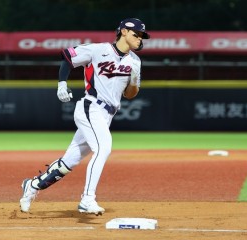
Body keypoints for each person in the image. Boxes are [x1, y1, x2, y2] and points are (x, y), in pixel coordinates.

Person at [19, 18, 150, 215]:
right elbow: (68, 57)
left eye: (142, 36)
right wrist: (62, 83)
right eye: (136, 34)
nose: (140, 39)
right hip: (91, 107)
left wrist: (133, 80)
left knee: (69, 161)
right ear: (123, 32)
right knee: (103, 148)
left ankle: (32, 185)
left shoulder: (135, 61)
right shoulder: (99, 50)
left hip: (107, 115)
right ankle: (88, 199)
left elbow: (130, 94)